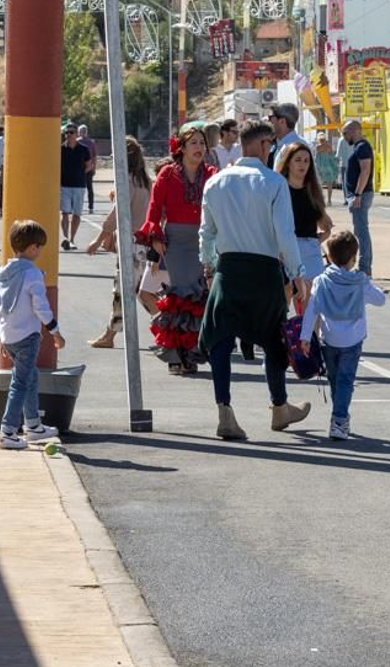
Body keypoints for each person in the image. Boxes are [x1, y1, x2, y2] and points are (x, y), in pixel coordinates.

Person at [198, 120, 311, 441]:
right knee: (274, 340)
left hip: (228, 270)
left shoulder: (215, 182)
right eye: (270, 145)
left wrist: (207, 267)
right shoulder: (274, 183)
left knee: (220, 338)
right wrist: (298, 273)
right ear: (263, 145)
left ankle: (225, 413)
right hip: (264, 273)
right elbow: (284, 235)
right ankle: (279, 406)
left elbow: (206, 233)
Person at [139, 124, 216, 374]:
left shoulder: (212, 174)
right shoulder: (167, 174)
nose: (199, 148)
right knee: (180, 295)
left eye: (202, 143)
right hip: (176, 241)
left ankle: (191, 352)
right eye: (193, 143)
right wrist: (155, 237)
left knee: (198, 296)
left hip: (203, 241)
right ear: (181, 148)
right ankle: (175, 354)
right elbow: (154, 208)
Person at [299, 230, 386, 440]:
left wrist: (304, 337)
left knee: (334, 378)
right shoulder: (360, 282)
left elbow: (312, 309)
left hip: (328, 338)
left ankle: (340, 416)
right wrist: (376, 288)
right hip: (353, 340)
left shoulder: (321, 280)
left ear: (328, 256)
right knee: (346, 380)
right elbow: (380, 300)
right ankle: (339, 419)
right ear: (354, 257)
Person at [0, 219, 64, 450]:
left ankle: (33, 425)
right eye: (40, 246)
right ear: (33, 247)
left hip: (9, 336)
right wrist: (55, 331)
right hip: (28, 337)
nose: (40, 250)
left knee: (29, 377)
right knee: (20, 383)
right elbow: (40, 306)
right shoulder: (32, 274)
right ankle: (8, 431)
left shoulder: (3, 272)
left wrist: (0, 336)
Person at [88, 136, 153, 350]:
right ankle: (168, 323)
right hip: (144, 243)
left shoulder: (127, 181)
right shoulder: (144, 180)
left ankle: (109, 336)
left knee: (122, 291)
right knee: (141, 292)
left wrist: (97, 240)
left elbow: (118, 214)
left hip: (131, 245)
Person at [277, 140, 333, 280]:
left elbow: (325, 223)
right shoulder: (279, 187)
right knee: (286, 296)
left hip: (310, 249)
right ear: (288, 162)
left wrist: (324, 235)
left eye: (306, 161)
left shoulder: (312, 190)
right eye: (298, 160)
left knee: (311, 298)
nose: (303, 164)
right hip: (285, 250)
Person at [340, 118, 376, 275]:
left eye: (345, 133)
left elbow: (365, 170)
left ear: (354, 131)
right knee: (360, 231)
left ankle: (364, 268)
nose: (344, 137)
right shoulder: (359, 147)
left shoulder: (362, 147)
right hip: (358, 194)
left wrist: (358, 194)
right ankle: (364, 266)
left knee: (361, 232)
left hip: (361, 195)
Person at [58, 126, 94, 249]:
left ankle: (72, 239)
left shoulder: (83, 149)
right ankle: (66, 238)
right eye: (66, 132)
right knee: (65, 213)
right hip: (64, 186)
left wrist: (80, 172)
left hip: (79, 185)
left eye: (71, 132)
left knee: (77, 214)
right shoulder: (61, 149)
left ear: (76, 134)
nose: (68, 134)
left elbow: (89, 165)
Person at [76, 124, 98, 218]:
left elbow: (94, 157)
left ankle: (79, 207)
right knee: (89, 188)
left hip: (81, 169)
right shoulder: (90, 143)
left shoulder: (77, 142)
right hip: (86, 168)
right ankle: (91, 207)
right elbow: (95, 157)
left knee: (80, 188)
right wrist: (94, 168)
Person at [314, 134, 340, 206]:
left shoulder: (318, 147)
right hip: (329, 168)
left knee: (319, 185)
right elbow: (332, 159)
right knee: (329, 185)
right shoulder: (329, 146)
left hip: (321, 168)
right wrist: (335, 167)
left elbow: (317, 159)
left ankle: (320, 200)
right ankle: (329, 200)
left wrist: (317, 167)